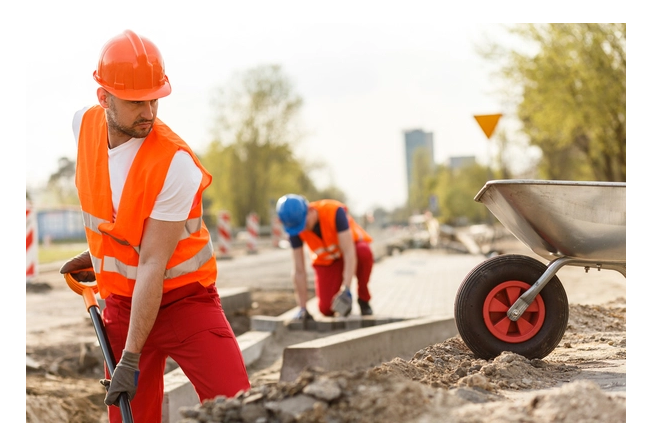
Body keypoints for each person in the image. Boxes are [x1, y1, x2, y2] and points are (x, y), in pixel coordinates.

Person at [59, 29, 250, 423]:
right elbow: (116, 217)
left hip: (186, 303)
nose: (148, 112)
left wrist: (129, 359)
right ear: (104, 98)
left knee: (240, 408)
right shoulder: (83, 128)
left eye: (154, 99)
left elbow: (152, 263)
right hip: (125, 305)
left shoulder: (175, 163)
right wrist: (98, 256)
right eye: (135, 102)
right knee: (132, 422)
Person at [275, 194, 374, 320]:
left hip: (351, 253)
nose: (303, 229)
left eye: (304, 224)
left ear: (309, 210)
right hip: (328, 262)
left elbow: (349, 253)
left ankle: (364, 299)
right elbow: (299, 270)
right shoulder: (295, 228)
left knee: (363, 252)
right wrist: (303, 308)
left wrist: (346, 289)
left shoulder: (334, 212)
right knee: (326, 309)